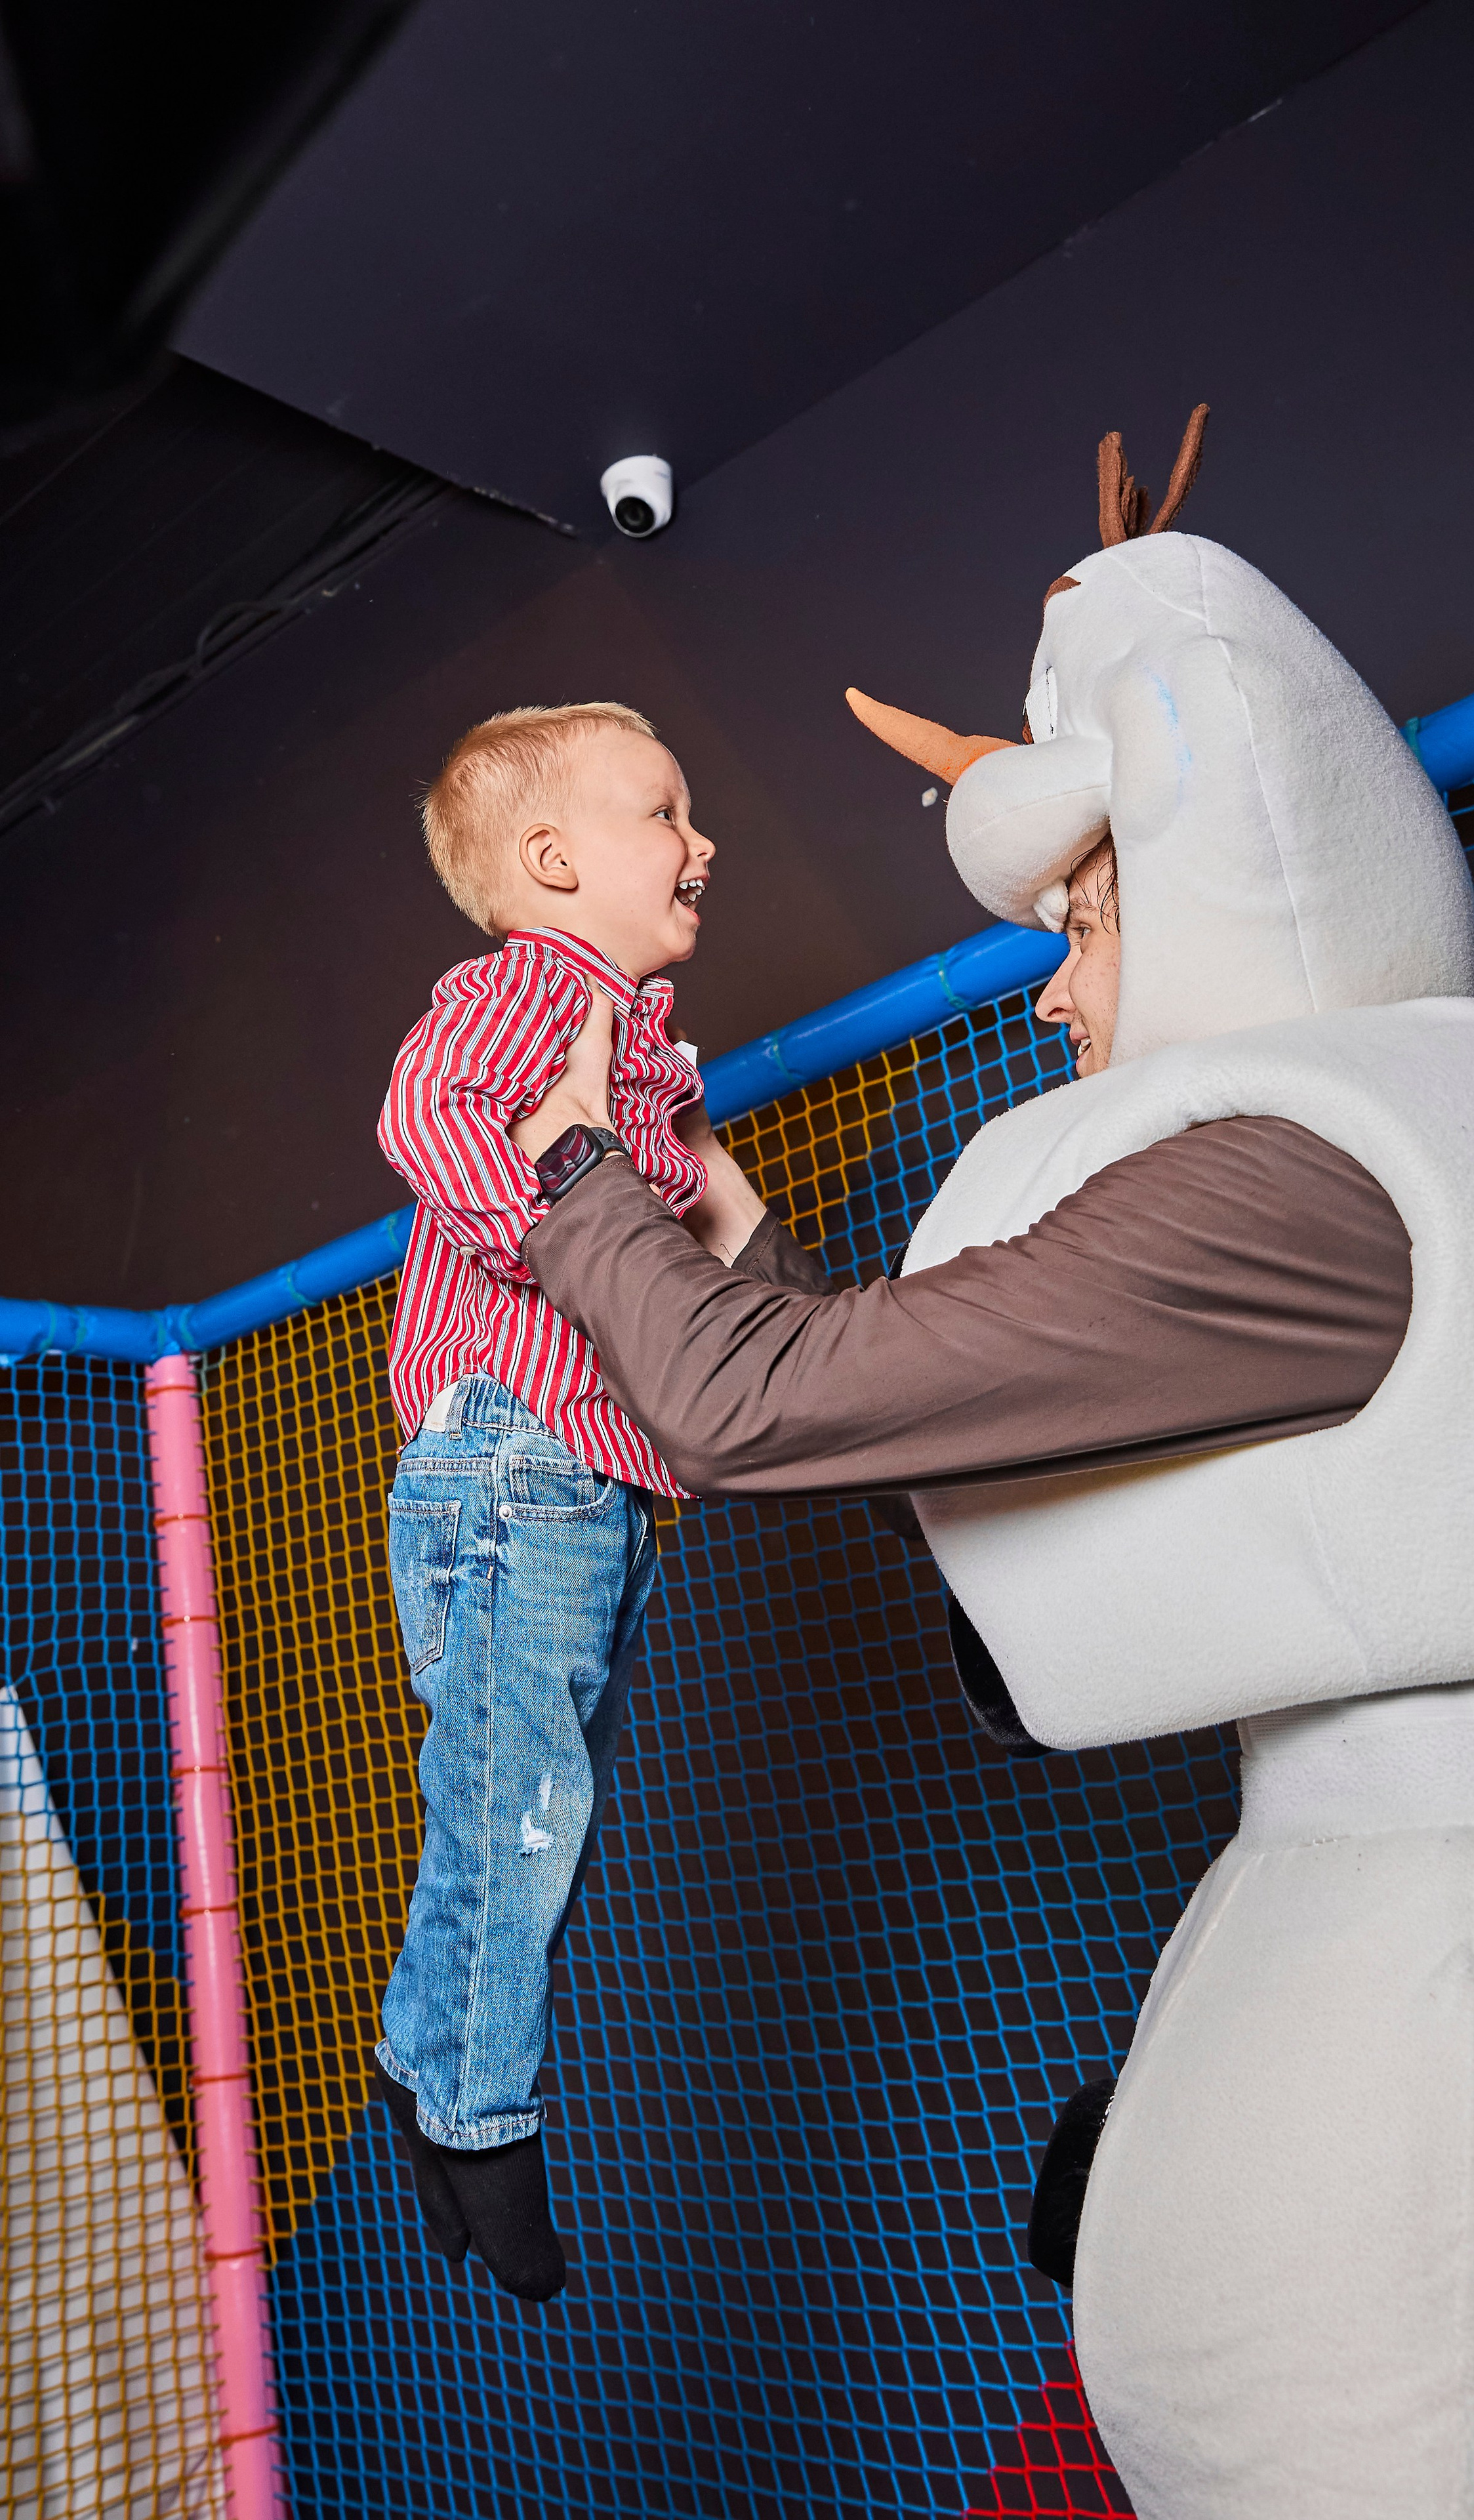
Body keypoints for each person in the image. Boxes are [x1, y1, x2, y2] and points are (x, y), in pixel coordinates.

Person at [504, 423, 1474, 2515]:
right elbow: (989, 1438)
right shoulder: (1447, 1116)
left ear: (1214, 877)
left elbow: (751, 1408)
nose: (1055, 985)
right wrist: (745, 1246)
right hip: (1469, 1886)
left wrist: (576, 1176)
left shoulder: (1293, 1172)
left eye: (1084, 914)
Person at [373, 701, 732, 2304]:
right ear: (551, 862)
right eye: (663, 811)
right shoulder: (535, 987)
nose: (698, 840)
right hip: (520, 1457)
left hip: (582, 1479)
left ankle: (431, 2068)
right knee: (520, 1810)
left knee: (532, 1811)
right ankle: (473, 2107)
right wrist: (552, 1217)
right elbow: (422, 1111)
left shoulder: (642, 1044)